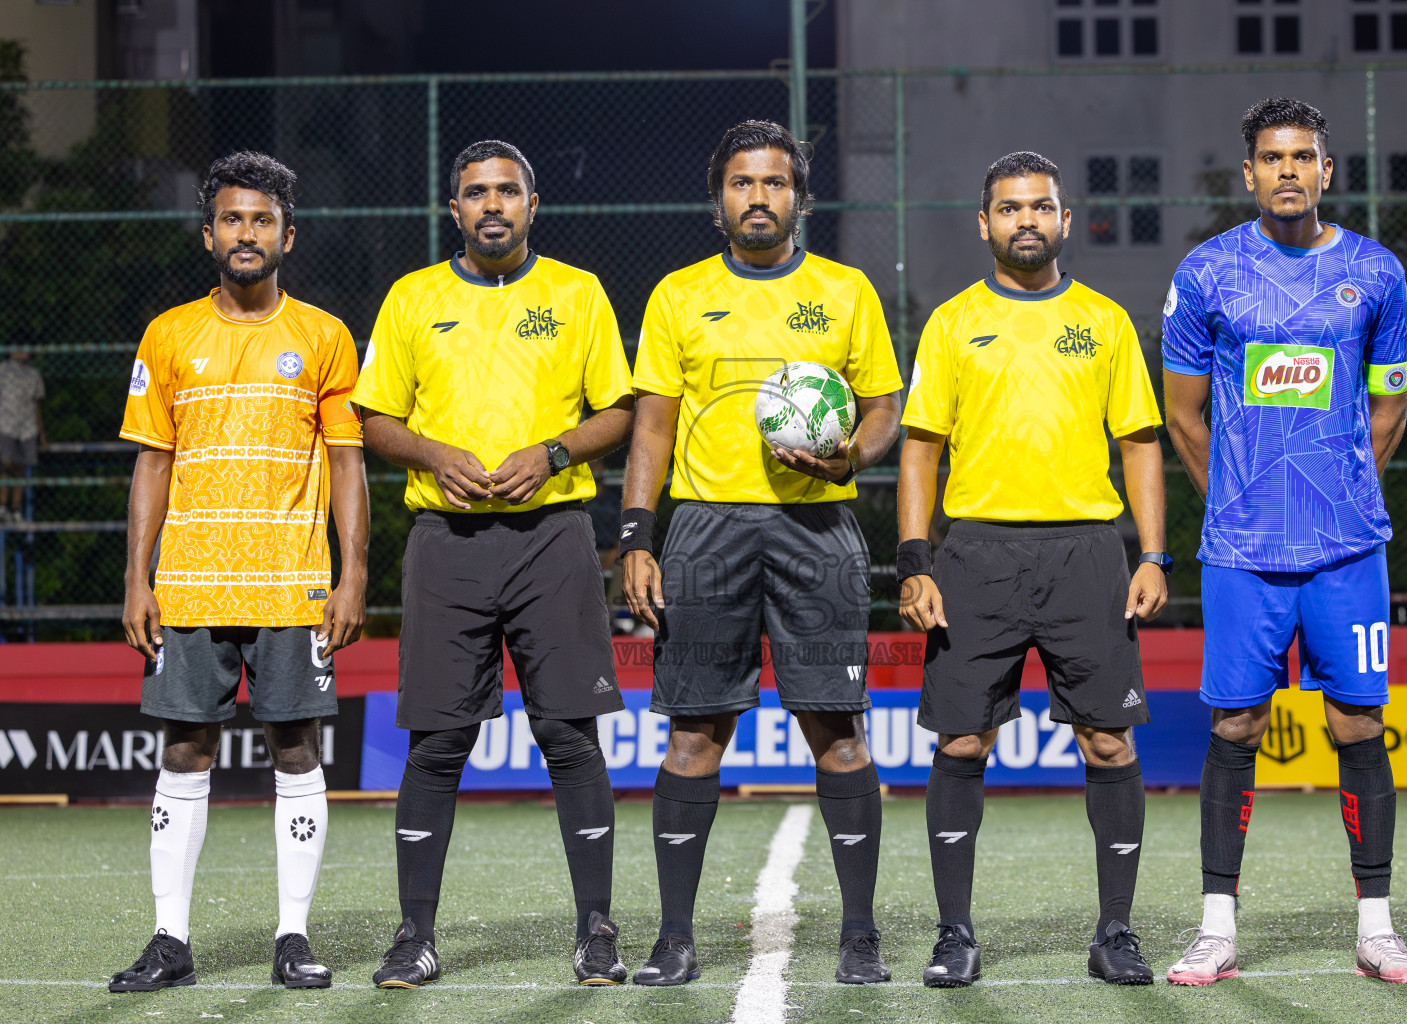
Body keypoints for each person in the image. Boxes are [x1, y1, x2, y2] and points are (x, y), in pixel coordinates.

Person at [620, 119, 904, 986]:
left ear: (800, 200)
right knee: (695, 732)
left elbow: (885, 407)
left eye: (775, 183)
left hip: (818, 526)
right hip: (707, 529)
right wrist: (636, 534)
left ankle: (860, 935)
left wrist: (851, 451)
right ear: (719, 203)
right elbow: (653, 428)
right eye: (742, 183)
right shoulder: (677, 294)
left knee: (838, 730)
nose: (758, 197)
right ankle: (675, 937)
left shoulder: (846, 290)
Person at [353, 139, 635, 988]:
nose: (492, 206)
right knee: (438, 742)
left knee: (567, 735)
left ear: (533, 204)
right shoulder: (412, 299)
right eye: (475, 193)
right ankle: (414, 936)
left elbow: (618, 409)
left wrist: (551, 452)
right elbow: (372, 420)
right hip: (447, 543)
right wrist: (434, 454)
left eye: (507, 192)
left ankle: (596, 930)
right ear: (455, 210)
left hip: (553, 537)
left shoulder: (577, 292)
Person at [1160, 97, 1407, 985]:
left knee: (1358, 723)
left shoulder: (1377, 273)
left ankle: (1377, 929)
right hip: (1242, 551)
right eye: (1271, 157)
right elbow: (1182, 413)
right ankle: (1216, 929)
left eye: (1302, 157)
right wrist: (1235, 502)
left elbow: (1389, 406)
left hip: (1349, 548)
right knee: (1236, 723)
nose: (1286, 171)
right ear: (1248, 173)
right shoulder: (1206, 274)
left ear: (1326, 169)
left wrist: (1343, 494)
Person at [897, 150, 1170, 988]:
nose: (1026, 221)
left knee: (1108, 738)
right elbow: (920, 450)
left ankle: (1116, 932)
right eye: (1009, 209)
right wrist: (915, 561)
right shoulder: (951, 323)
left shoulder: (1106, 320)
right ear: (984, 223)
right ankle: (955, 935)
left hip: (1088, 553)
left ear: (1063, 218)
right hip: (975, 553)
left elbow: (1139, 444)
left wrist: (1153, 553)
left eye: (1040, 207)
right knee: (963, 738)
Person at [112, 151, 369, 992]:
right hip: (187, 582)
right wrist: (136, 578)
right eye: (232, 218)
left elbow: (346, 465)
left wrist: (354, 573)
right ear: (208, 233)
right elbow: (153, 463)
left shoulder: (324, 337)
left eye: (262, 219)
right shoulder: (168, 334)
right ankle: (169, 941)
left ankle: (293, 938)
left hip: (292, 583)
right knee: (184, 747)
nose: (246, 232)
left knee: (293, 745)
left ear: (287, 235)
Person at [0, 349, 45, 522]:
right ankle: (3, 506)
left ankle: (15, 509)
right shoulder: (3, 370)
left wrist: (41, 434)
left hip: (27, 428)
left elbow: (36, 405)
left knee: (21, 469)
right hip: (6, 426)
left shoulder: (33, 374)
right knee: (5, 467)